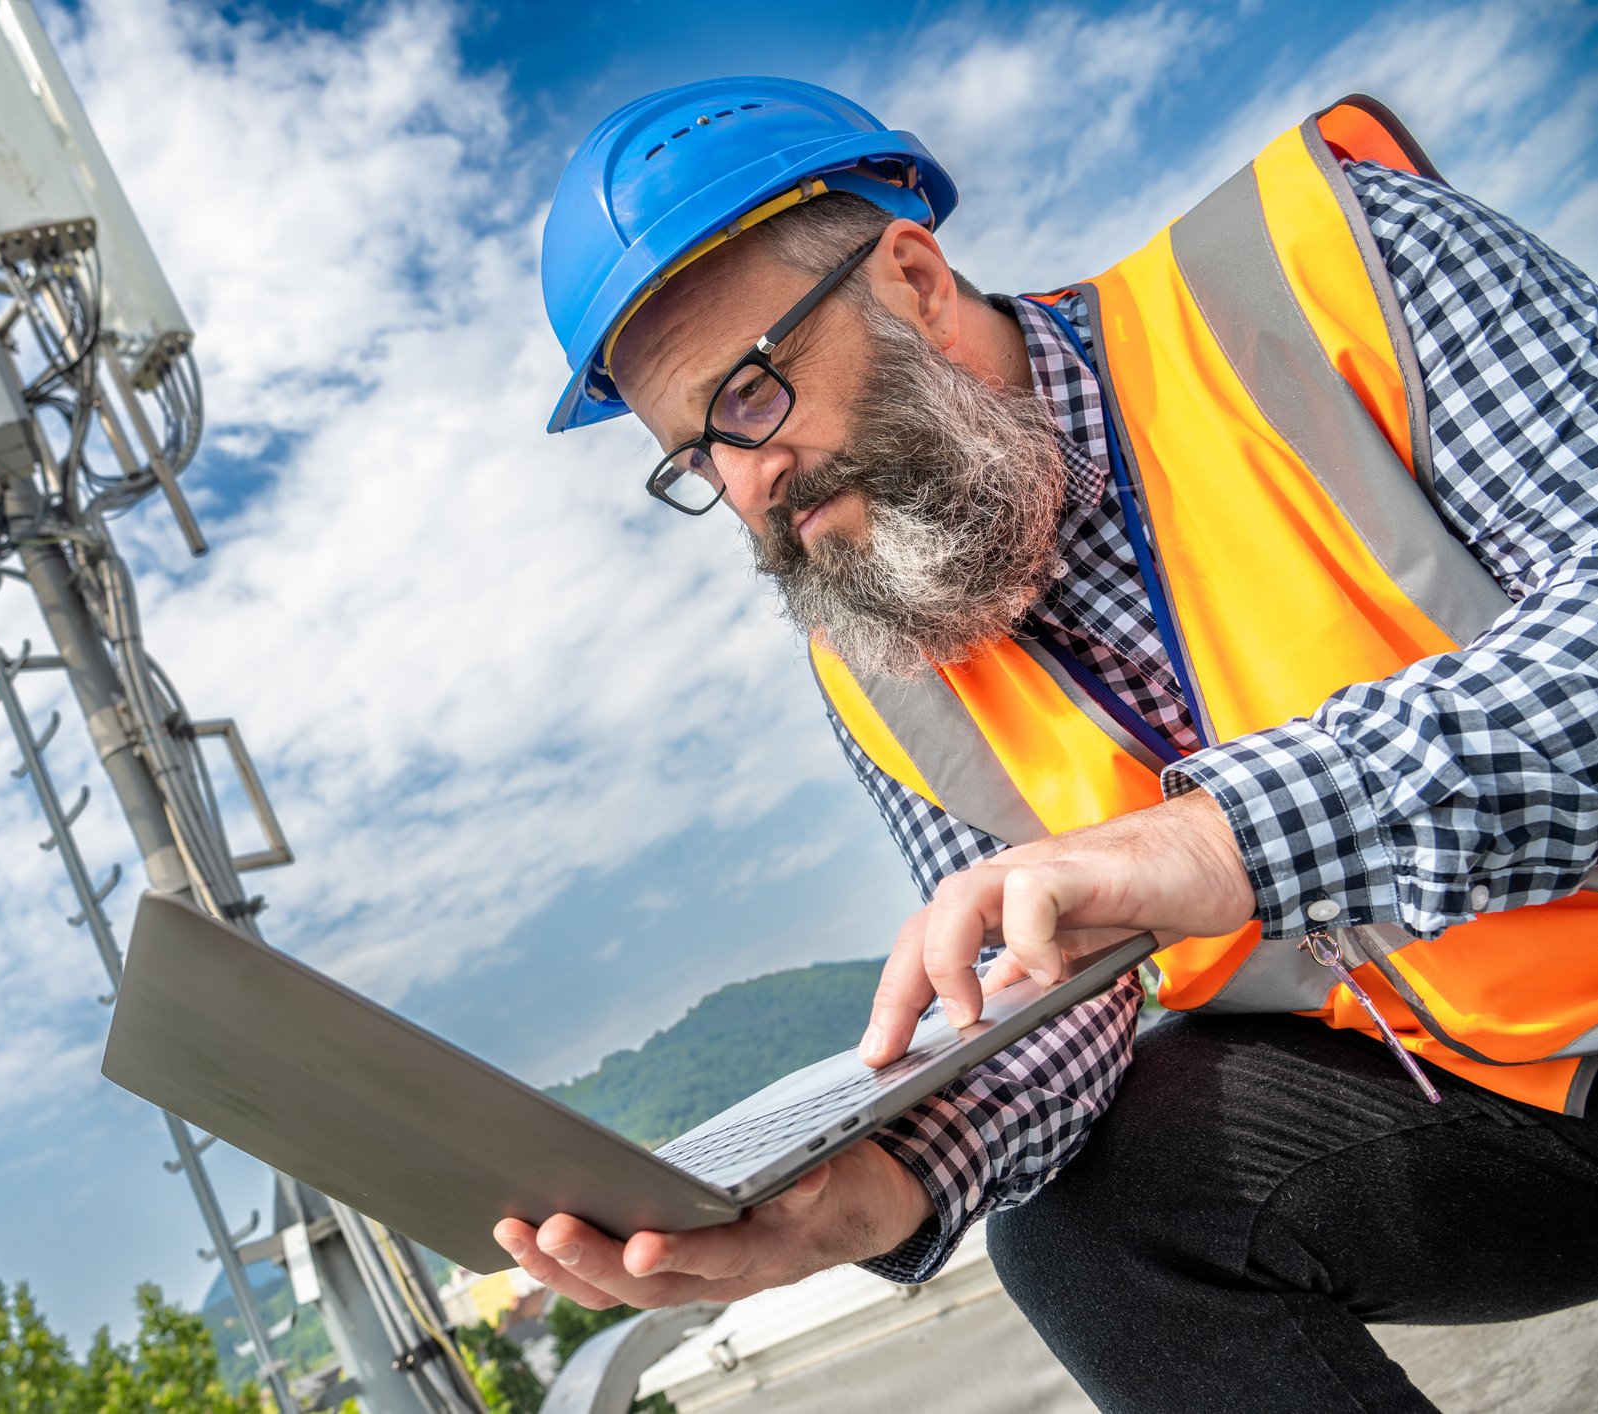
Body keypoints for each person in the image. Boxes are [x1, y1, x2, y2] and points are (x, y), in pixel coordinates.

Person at [496, 77, 1598, 1412]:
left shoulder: (1335, 273)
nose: (749, 485)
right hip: (1500, 1109)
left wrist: (1217, 837)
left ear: (906, 274)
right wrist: (879, 1182)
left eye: (750, 394)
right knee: (1091, 1227)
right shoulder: (880, 663)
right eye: (694, 458)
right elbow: (1038, 995)